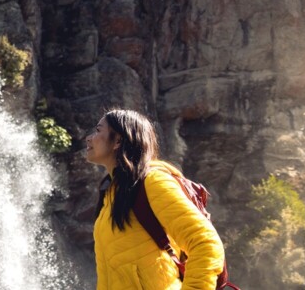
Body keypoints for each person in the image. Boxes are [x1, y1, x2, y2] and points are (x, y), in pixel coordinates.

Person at [85, 109, 224, 290]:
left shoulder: (153, 182)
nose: (88, 138)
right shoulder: (109, 200)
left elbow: (206, 243)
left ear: (118, 140)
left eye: (97, 130)